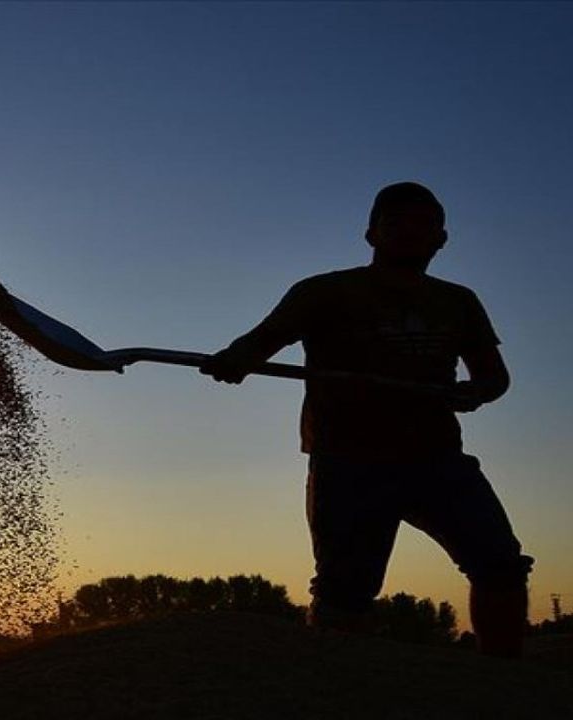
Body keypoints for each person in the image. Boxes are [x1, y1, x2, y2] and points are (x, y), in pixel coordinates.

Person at [199, 182, 533, 658]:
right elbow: (260, 341)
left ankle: (505, 675)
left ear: (441, 238)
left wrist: (475, 392)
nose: (409, 234)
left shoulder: (459, 302)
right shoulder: (323, 293)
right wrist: (235, 360)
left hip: (437, 458)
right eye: (395, 223)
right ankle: (340, 687)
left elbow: (494, 377)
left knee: (499, 563)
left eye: (424, 225)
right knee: (344, 593)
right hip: (348, 462)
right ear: (371, 234)